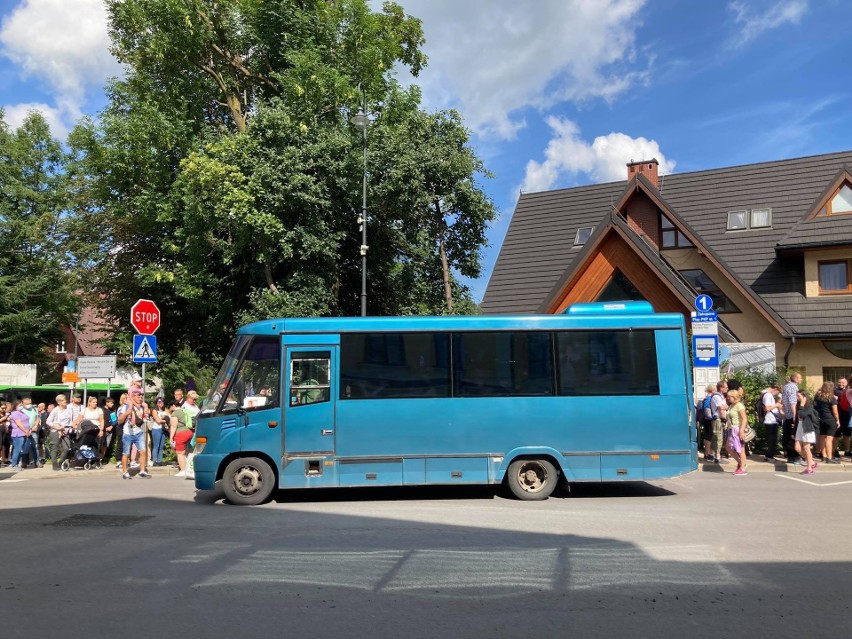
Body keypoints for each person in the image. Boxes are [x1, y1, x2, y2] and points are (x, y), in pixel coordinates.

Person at [119, 392, 151, 479]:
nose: (140, 398)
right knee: (126, 453)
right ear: (133, 397)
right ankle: (125, 472)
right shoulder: (125, 407)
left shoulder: (142, 407)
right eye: (138, 396)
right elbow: (120, 420)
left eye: (141, 396)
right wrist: (126, 413)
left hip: (138, 433)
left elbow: (146, 417)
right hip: (128, 433)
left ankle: (142, 471)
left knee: (143, 451)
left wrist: (146, 409)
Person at [814, 381, 841, 464]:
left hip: (821, 419)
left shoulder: (817, 396)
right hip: (830, 419)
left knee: (822, 437)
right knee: (829, 439)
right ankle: (829, 458)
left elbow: (815, 406)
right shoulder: (831, 398)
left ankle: (824, 456)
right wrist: (837, 420)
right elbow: (835, 412)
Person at [46, 394, 74, 470]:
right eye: (62, 400)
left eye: (65, 400)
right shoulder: (55, 410)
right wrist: (57, 427)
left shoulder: (69, 409)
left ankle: (61, 462)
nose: (65, 401)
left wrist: (69, 430)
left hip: (65, 431)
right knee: (55, 447)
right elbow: (48, 421)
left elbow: (70, 421)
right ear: (58, 402)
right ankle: (54, 464)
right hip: (55, 431)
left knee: (67, 448)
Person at [795, 390, 819, 475]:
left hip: (807, 428)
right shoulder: (798, 405)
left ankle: (809, 467)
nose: (797, 398)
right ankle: (812, 462)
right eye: (796, 396)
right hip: (799, 427)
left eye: (798, 396)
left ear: (804, 397)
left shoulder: (809, 406)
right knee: (797, 448)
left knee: (806, 448)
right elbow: (797, 418)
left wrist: (801, 405)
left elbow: (802, 415)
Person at [168, 400, 194, 477]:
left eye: (170, 407)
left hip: (180, 433)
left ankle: (183, 470)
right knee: (185, 452)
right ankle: (188, 469)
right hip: (189, 432)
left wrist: (171, 437)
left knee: (180, 453)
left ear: (173, 405)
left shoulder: (175, 413)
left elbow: (173, 426)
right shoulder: (185, 411)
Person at [725, 390, 748, 476]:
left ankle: (743, 468)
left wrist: (741, 430)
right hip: (731, 429)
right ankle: (741, 463)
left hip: (737, 428)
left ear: (734, 397)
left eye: (729, 396)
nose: (727, 398)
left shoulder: (739, 405)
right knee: (728, 447)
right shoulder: (731, 406)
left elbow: (744, 419)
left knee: (741, 449)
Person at [707, 381, 728, 464]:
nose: (727, 388)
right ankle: (717, 457)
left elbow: (725, 406)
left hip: (719, 419)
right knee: (718, 438)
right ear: (721, 388)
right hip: (717, 419)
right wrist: (724, 418)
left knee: (715, 438)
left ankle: (711, 454)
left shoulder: (721, 396)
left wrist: (724, 407)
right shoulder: (717, 396)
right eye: (726, 387)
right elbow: (721, 408)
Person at [761, 384, 782, 462]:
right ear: (775, 389)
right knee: (772, 439)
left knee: (772, 439)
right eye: (777, 392)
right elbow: (767, 408)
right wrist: (776, 405)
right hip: (770, 420)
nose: (776, 394)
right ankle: (769, 456)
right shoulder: (768, 395)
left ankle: (768, 455)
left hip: (772, 420)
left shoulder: (768, 395)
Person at [8, 402, 32, 470]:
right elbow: (19, 424)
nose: (22, 406)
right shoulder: (15, 413)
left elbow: (27, 422)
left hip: (24, 434)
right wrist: (25, 431)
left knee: (21, 450)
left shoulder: (23, 413)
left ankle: (17, 464)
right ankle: (14, 465)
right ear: (16, 406)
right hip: (18, 434)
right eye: (20, 405)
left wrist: (29, 430)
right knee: (17, 450)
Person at [19, 397, 41, 468]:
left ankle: (37, 462)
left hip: (33, 430)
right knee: (25, 447)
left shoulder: (34, 409)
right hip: (24, 430)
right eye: (27, 403)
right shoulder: (20, 410)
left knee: (35, 446)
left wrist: (35, 425)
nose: (29, 405)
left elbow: (37, 418)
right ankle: (24, 462)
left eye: (30, 403)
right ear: (23, 403)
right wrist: (25, 430)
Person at [150, 397, 168, 466]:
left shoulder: (165, 410)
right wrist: (166, 420)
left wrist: (166, 419)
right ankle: (155, 461)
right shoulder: (155, 411)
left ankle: (160, 460)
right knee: (156, 446)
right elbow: (158, 420)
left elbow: (170, 416)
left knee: (161, 446)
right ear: (157, 403)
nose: (161, 403)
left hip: (163, 429)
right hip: (156, 429)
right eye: (159, 401)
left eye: (162, 401)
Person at [835, 377, 851, 457]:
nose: (841, 384)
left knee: (847, 434)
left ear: (847, 383)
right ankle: (835, 450)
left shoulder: (848, 390)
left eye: (843, 382)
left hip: (847, 415)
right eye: (839, 382)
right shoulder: (835, 391)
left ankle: (847, 451)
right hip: (838, 416)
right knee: (837, 434)